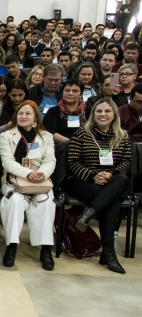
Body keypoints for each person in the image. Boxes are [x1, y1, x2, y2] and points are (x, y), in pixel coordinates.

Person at [61, 98, 132, 273]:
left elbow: (125, 162)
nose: (103, 114)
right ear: (93, 114)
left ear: (114, 114)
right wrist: (94, 175)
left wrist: (110, 174)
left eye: (107, 111)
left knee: (122, 180)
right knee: (111, 200)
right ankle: (109, 254)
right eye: (99, 111)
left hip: (112, 181)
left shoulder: (122, 136)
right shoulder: (81, 134)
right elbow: (73, 162)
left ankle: (89, 212)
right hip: (82, 181)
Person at [0, 100, 56, 270]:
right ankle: (12, 246)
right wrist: (27, 173)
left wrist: (42, 173)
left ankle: (46, 249)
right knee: (14, 201)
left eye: (28, 113)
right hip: (15, 179)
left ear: (35, 117)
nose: (23, 116)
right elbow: (7, 162)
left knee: (46, 203)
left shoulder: (46, 137)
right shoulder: (6, 136)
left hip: (39, 181)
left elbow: (50, 160)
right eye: (20, 113)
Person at [42, 78, 85, 142]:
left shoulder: (87, 111)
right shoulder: (53, 111)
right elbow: (50, 132)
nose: (70, 93)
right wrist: (71, 143)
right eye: (67, 91)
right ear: (62, 93)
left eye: (75, 91)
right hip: (60, 144)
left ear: (81, 94)